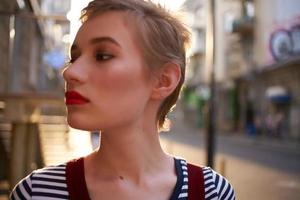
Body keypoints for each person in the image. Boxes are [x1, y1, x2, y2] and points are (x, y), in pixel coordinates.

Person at [10, 0, 235, 199]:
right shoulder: (36, 192)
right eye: (74, 58)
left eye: (103, 55)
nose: (70, 72)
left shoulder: (210, 192)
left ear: (163, 80)